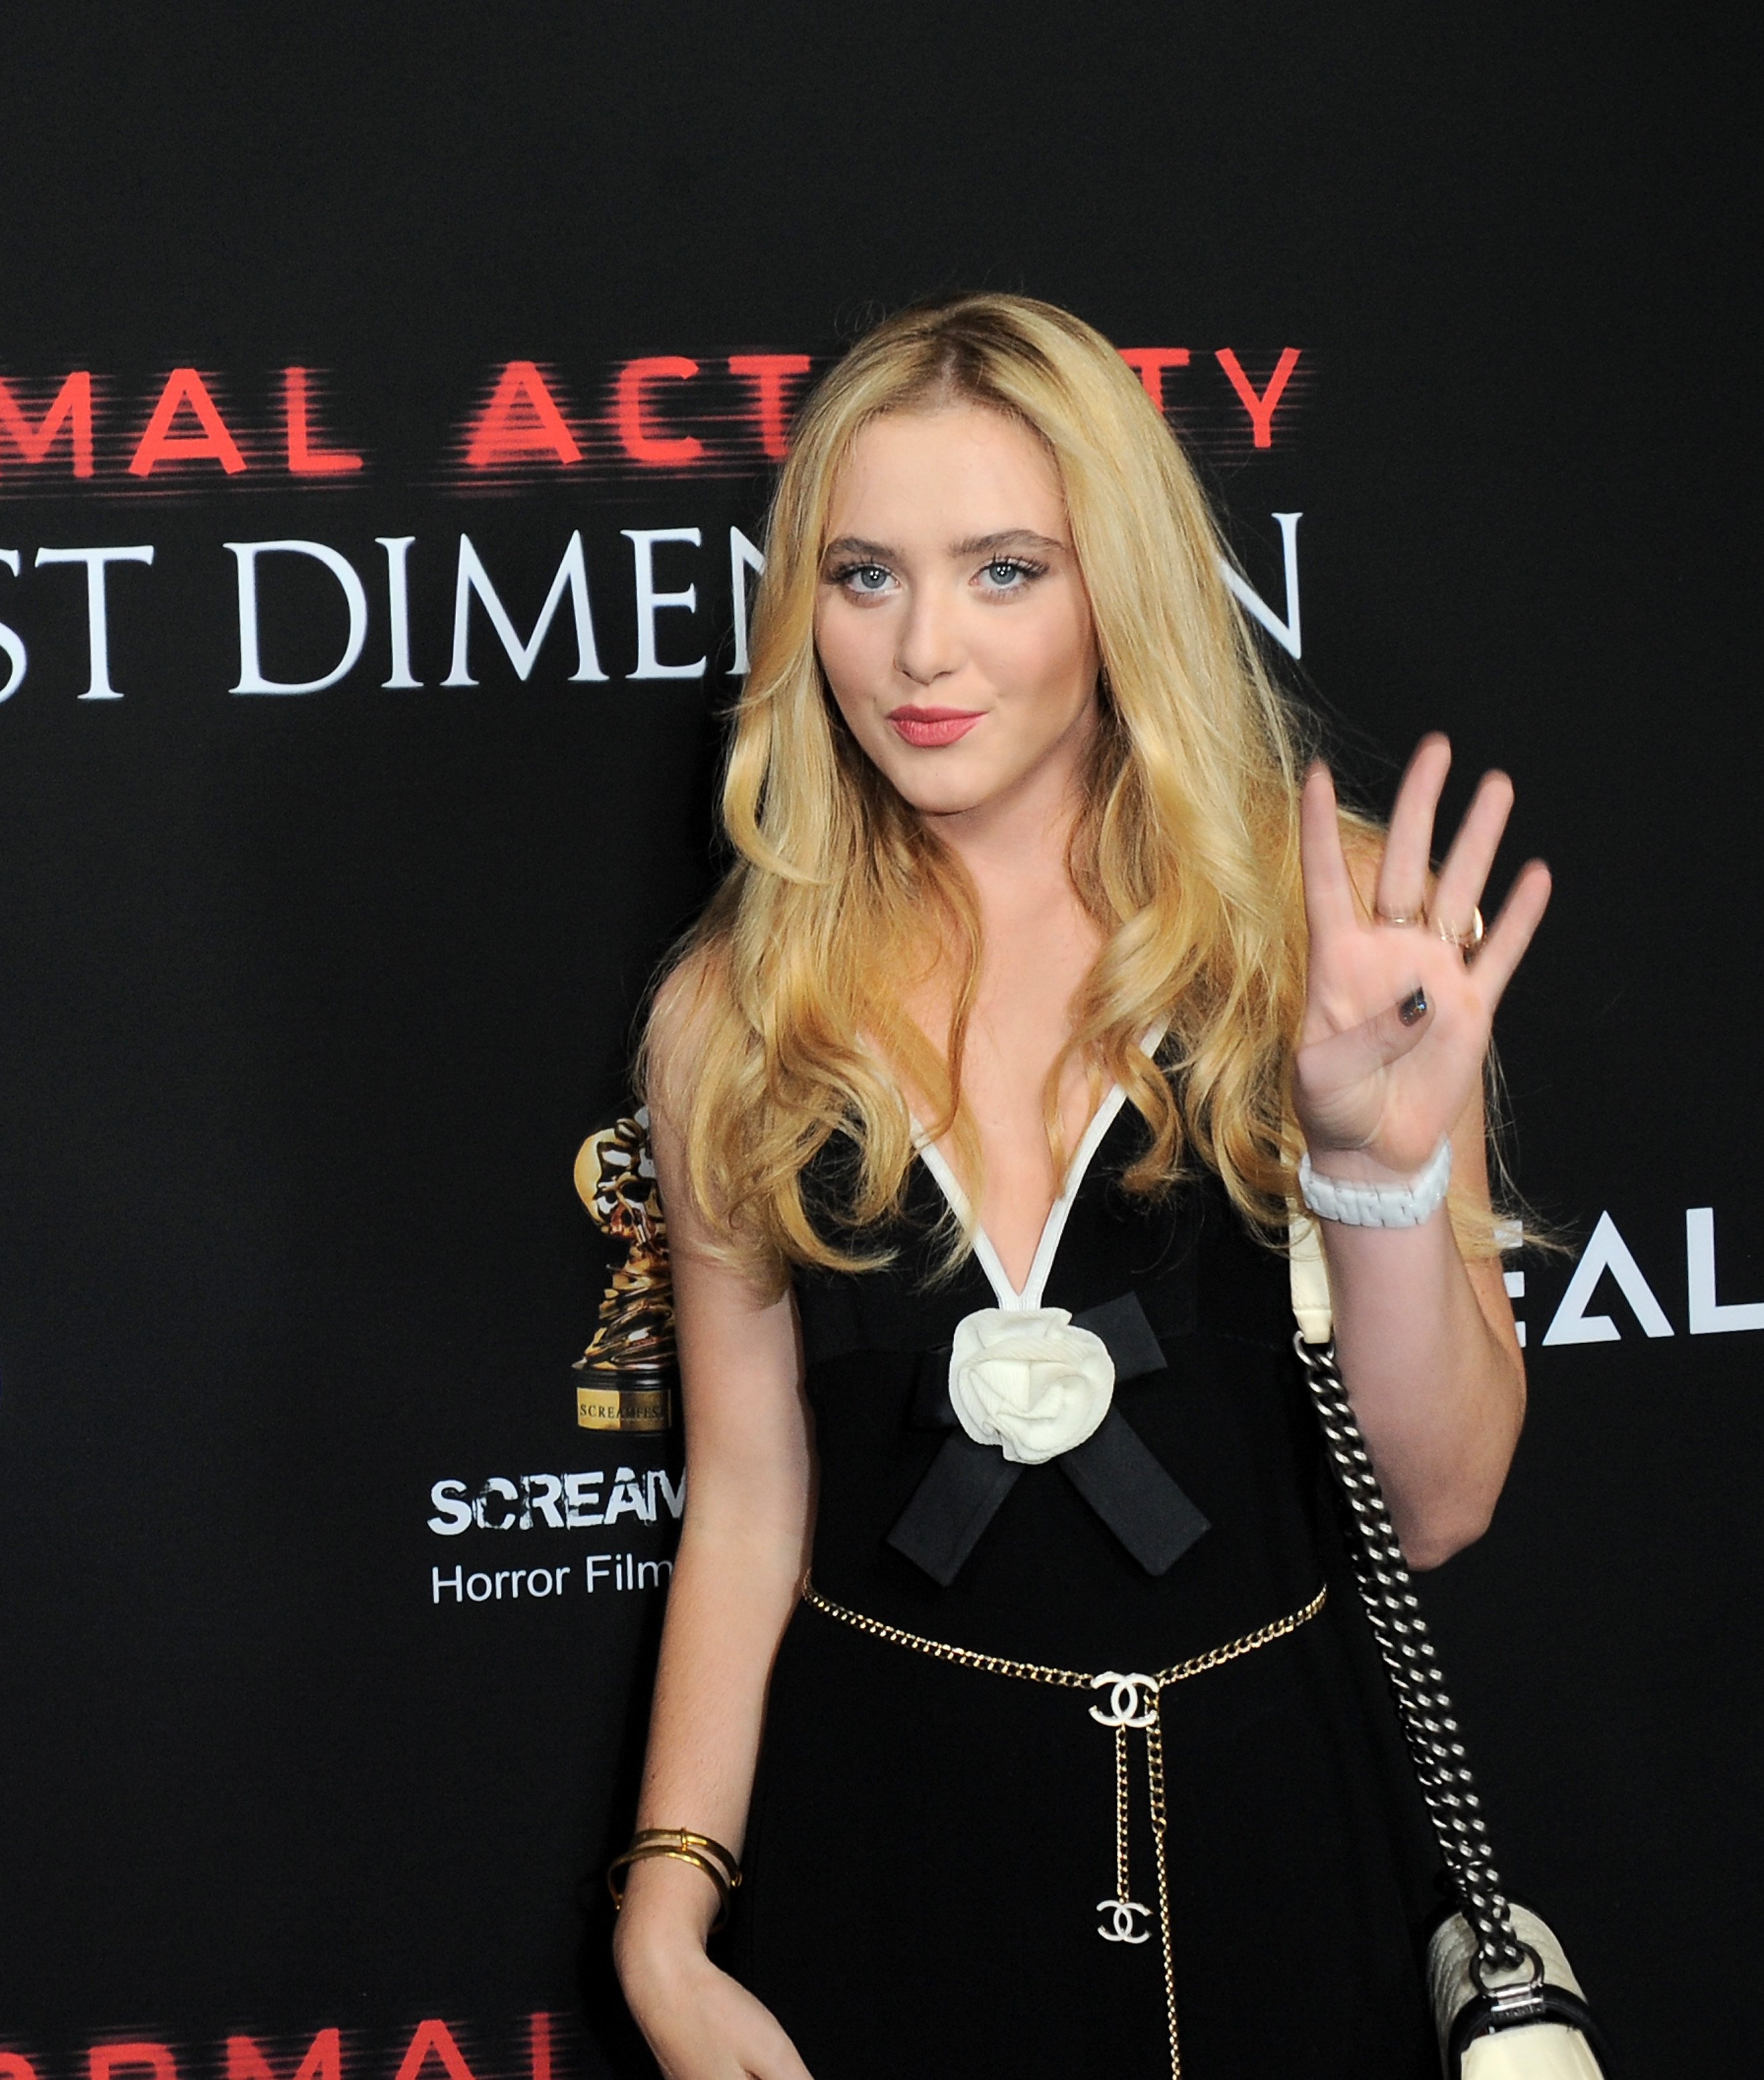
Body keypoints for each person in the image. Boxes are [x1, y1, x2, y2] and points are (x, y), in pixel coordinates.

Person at [608, 294, 1550, 2079]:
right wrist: (663, 1915)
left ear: (1119, 589)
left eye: (1003, 570)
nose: (921, 650)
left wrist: (1374, 1168)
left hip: (1281, 1853)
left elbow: (1438, 1504)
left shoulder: (1335, 933)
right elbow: (744, 1499)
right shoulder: (736, 1008)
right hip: (884, 1863)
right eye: (864, 575)